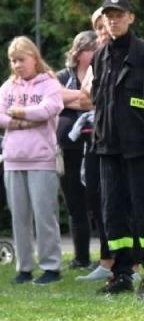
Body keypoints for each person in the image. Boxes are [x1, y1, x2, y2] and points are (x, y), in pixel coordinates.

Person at [83, 0, 144, 297]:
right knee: (113, 212)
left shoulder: (142, 53)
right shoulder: (100, 56)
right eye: (109, 15)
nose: (113, 20)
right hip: (107, 147)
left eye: (119, 14)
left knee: (142, 211)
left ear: (131, 17)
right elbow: (97, 100)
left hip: (138, 147)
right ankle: (121, 273)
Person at [0, 36, 64, 285]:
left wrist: (19, 112)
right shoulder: (8, 87)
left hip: (42, 158)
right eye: (13, 61)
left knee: (45, 215)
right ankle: (24, 267)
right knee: (19, 216)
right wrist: (25, 121)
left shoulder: (50, 84)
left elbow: (48, 110)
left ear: (34, 58)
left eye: (21, 59)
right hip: (13, 158)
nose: (17, 65)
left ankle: (51, 266)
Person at [57, 30, 103, 277]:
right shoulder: (63, 76)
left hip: (95, 145)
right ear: (79, 52)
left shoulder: (102, 72)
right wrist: (85, 99)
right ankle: (81, 256)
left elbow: (99, 100)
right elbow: (55, 98)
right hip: (69, 148)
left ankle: (105, 258)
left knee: (98, 201)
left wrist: (75, 100)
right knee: (75, 204)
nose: (93, 54)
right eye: (90, 50)